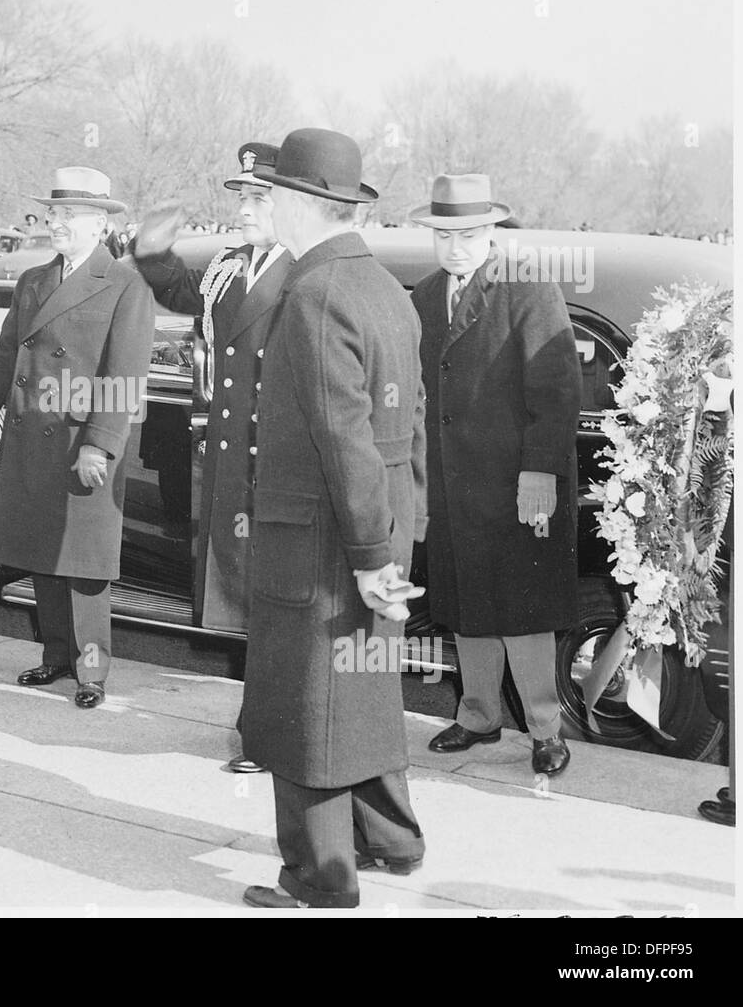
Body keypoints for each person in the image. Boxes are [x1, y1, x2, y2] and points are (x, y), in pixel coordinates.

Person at [239, 128, 427, 909]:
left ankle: (322, 875)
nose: (266, 207)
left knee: (305, 701)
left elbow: (341, 436)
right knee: (365, 687)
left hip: (326, 542)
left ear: (302, 204)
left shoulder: (315, 292)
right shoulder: (384, 286)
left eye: (271, 194)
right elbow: (406, 424)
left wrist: (366, 553)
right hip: (379, 526)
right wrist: (395, 542)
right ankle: (391, 839)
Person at [0, 167, 155, 709]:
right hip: (31, 437)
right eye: (53, 213)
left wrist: (100, 443)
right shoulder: (32, 281)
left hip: (82, 443)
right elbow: (5, 353)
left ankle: (92, 670)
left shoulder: (125, 284)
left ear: (99, 223)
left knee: (83, 561)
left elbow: (126, 373)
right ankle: (56, 656)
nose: (56, 223)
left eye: (68, 215)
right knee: (42, 551)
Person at [410, 174, 582, 778]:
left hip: (515, 485)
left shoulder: (529, 288)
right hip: (452, 483)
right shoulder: (425, 296)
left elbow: (557, 393)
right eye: (445, 235)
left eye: (471, 234)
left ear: (492, 233)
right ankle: (478, 716)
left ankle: (544, 730)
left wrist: (539, 475)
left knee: (521, 609)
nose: (457, 247)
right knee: (464, 602)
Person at [131, 142, 290, 774]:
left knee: (276, 606)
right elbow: (183, 291)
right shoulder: (230, 268)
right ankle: (263, 728)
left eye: (259, 198)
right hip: (232, 467)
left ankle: (272, 733)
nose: (245, 210)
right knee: (249, 601)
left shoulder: (305, 272)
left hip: (276, 466)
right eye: (242, 197)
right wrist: (151, 248)